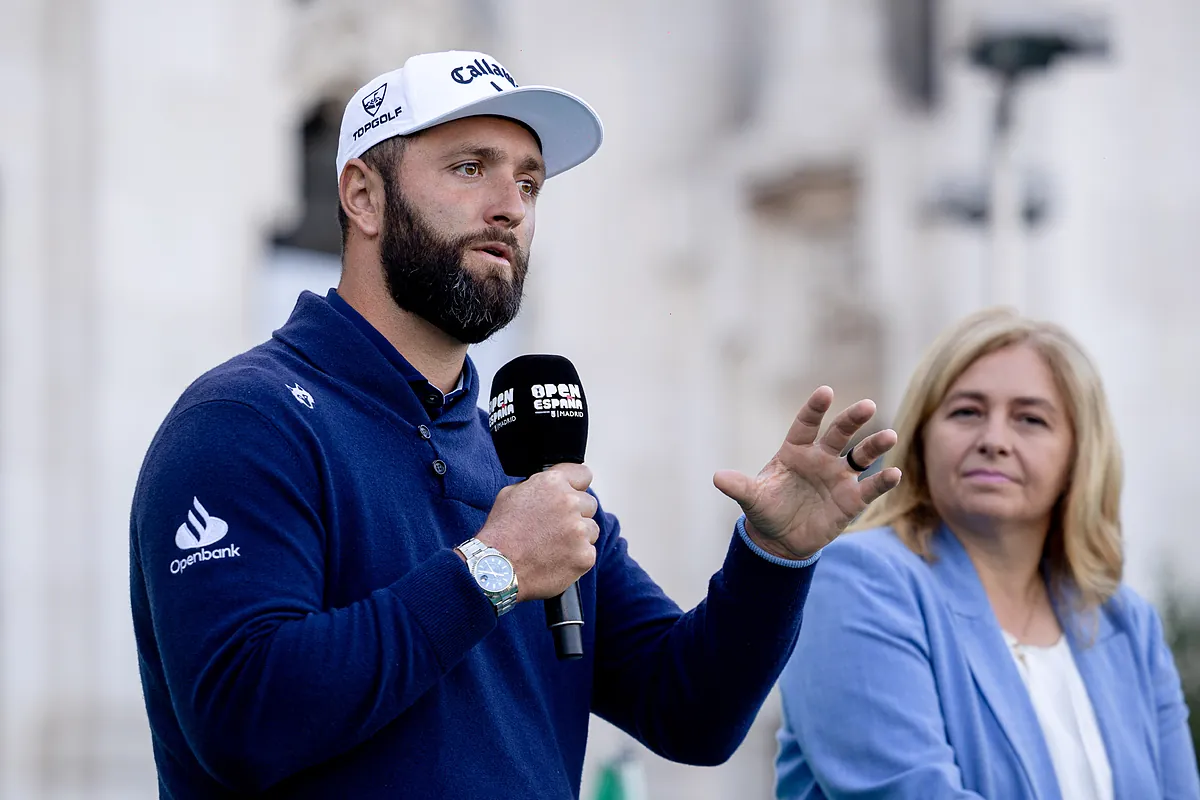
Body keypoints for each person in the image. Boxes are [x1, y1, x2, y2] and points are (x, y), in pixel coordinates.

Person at [128, 50, 903, 798]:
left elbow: (690, 714)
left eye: (529, 182)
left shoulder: (522, 461)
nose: (511, 207)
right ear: (362, 196)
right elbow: (243, 719)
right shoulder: (245, 421)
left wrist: (771, 558)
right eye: (471, 168)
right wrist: (489, 570)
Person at [773, 307, 1200, 800]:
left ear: (1079, 455)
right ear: (922, 439)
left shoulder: (1124, 623)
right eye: (967, 412)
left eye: (1031, 419)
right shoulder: (858, 580)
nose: (994, 440)